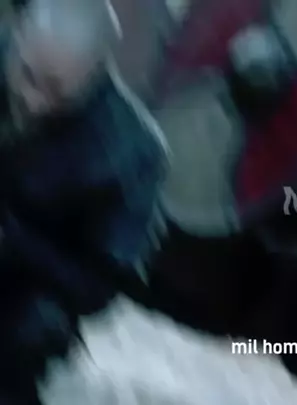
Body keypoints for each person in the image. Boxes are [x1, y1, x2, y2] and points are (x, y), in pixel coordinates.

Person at [0, 0, 166, 403]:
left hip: (24, 294)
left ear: (95, 73)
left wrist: (14, 241)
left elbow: (98, 288)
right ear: (18, 38)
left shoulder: (134, 151)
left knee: (38, 327)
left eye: (56, 89)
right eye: (27, 75)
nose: (34, 100)